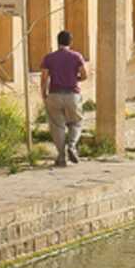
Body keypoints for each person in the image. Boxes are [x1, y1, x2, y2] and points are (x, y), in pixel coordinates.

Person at [39, 30, 90, 166]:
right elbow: (85, 75)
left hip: (55, 94)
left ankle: (62, 156)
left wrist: (44, 94)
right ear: (71, 42)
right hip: (72, 94)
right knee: (76, 122)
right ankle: (72, 145)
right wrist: (75, 79)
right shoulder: (76, 56)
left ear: (57, 42)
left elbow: (44, 78)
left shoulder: (49, 58)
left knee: (57, 126)